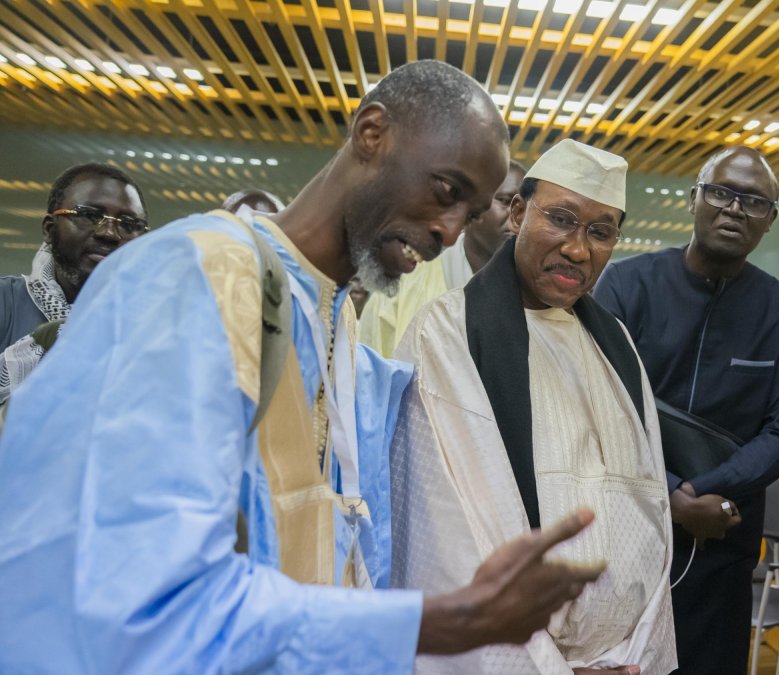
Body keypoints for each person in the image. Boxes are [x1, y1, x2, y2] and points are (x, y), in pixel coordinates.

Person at [0, 60, 605, 674]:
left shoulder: (336, 327)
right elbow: (138, 585)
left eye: (470, 215)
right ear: (372, 132)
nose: (448, 231)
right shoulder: (199, 277)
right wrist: (436, 623)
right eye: (446, 192)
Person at [391, 138, 674, 675]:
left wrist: (631, 659)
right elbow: (453, 532)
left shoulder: (614, 341)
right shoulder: (450, 332)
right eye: (562, 220)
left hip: (626, 661)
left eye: (601, 231)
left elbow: (651, 498)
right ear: (517, 212)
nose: (578, 249)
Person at [593, 145, 779, 675]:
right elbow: (595, 407)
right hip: (625, 528)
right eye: (721, 192)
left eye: (754, 203)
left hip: (721, 538)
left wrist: (703, 492)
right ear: (694, 199)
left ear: (770, 222)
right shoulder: (624, 286)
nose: (735, 209)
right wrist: (668, 495)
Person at [0, 162, 147, 403]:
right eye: (89, 215)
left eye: (129, 224)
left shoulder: (155, 328)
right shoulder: (6, 303)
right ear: (49, 229)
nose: (109, 233)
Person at [358, 160, 527, 356]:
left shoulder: (536, 294)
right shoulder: (404, 285)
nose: (518, 218)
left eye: (526, 209)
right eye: (506, 201)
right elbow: (369, 373)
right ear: (471, 208)